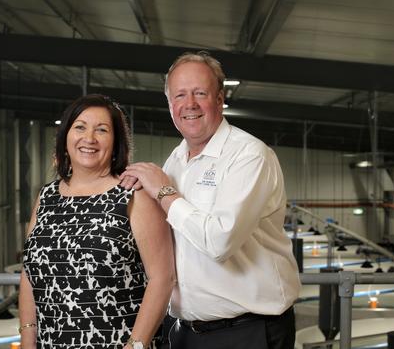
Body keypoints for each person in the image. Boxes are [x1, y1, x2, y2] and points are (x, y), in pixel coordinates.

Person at [120, 52, 301, 349]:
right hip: (185, 331)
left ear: (219, 99)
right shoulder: (175, 160)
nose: (189, 104)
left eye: (199, 93)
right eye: (179, 95)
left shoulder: (249, 155)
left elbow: (219, 241)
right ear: (169, 105)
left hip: (247, 331)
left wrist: (164, 193)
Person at [19, 94, 175, 349]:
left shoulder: (134, 195)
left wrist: (136, 346)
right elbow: (29, 273)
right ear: (66, 136)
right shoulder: (46, 196)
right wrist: (27, 340)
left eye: (101, 130)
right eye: (80, 127)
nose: (89, 138)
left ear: (116, 143)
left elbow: (162, 278)